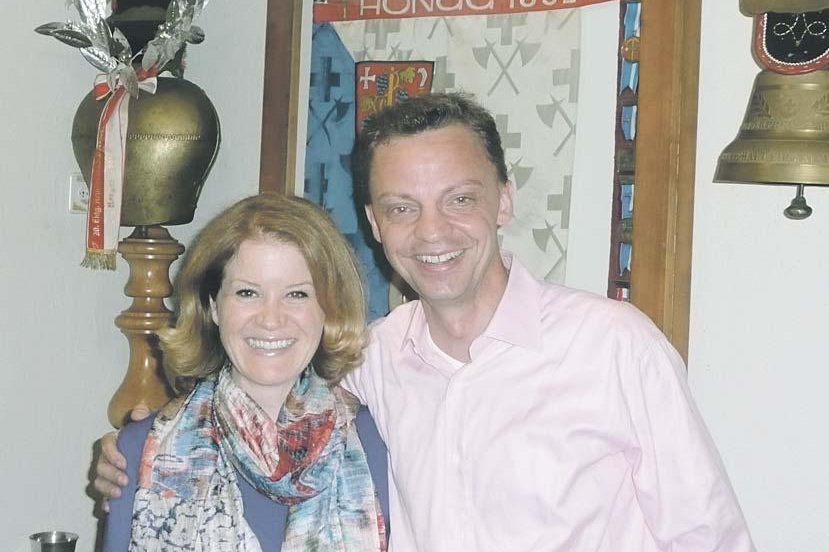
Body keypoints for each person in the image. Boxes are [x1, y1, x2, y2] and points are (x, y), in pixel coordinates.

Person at [97, 94, 756, 551]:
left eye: (459, 200)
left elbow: (711, 539)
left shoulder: (612, 347)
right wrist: (136, 447)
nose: (432, 233)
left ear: (503, 200)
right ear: (375, 223)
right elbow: (264, 395)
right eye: (402, 208)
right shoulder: (372, 361)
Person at [102, 193, 388, 551]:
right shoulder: (139, 450)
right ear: (213, 306)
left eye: (297, 295)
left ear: (328, 309)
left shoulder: (377, 443)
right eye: (248, 293)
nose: (271, 319)